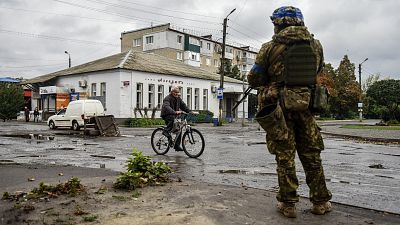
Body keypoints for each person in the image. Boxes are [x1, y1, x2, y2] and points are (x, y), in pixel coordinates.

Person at [248, 6, 332, 218]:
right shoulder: (316, 46)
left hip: (279, 108)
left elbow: (254, 78)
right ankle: (320, 202)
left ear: (278, 24)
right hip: (307, 107)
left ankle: (288, 205)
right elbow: (318, 70)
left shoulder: (269, 47)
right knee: (312, 154)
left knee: (285, 156)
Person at [160, 86, 190, 151]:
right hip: (166, 115)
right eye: (175, 92)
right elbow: (166, 107)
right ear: (172, 92)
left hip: (174, 114)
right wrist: (174, 112)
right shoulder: (167, 98)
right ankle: (165, 131)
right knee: (172, 120)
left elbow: (183, 106)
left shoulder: (178, 99)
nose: (177, 93)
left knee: (179, 129)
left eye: (178, 92)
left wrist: (190, 111)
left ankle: (177, 146)